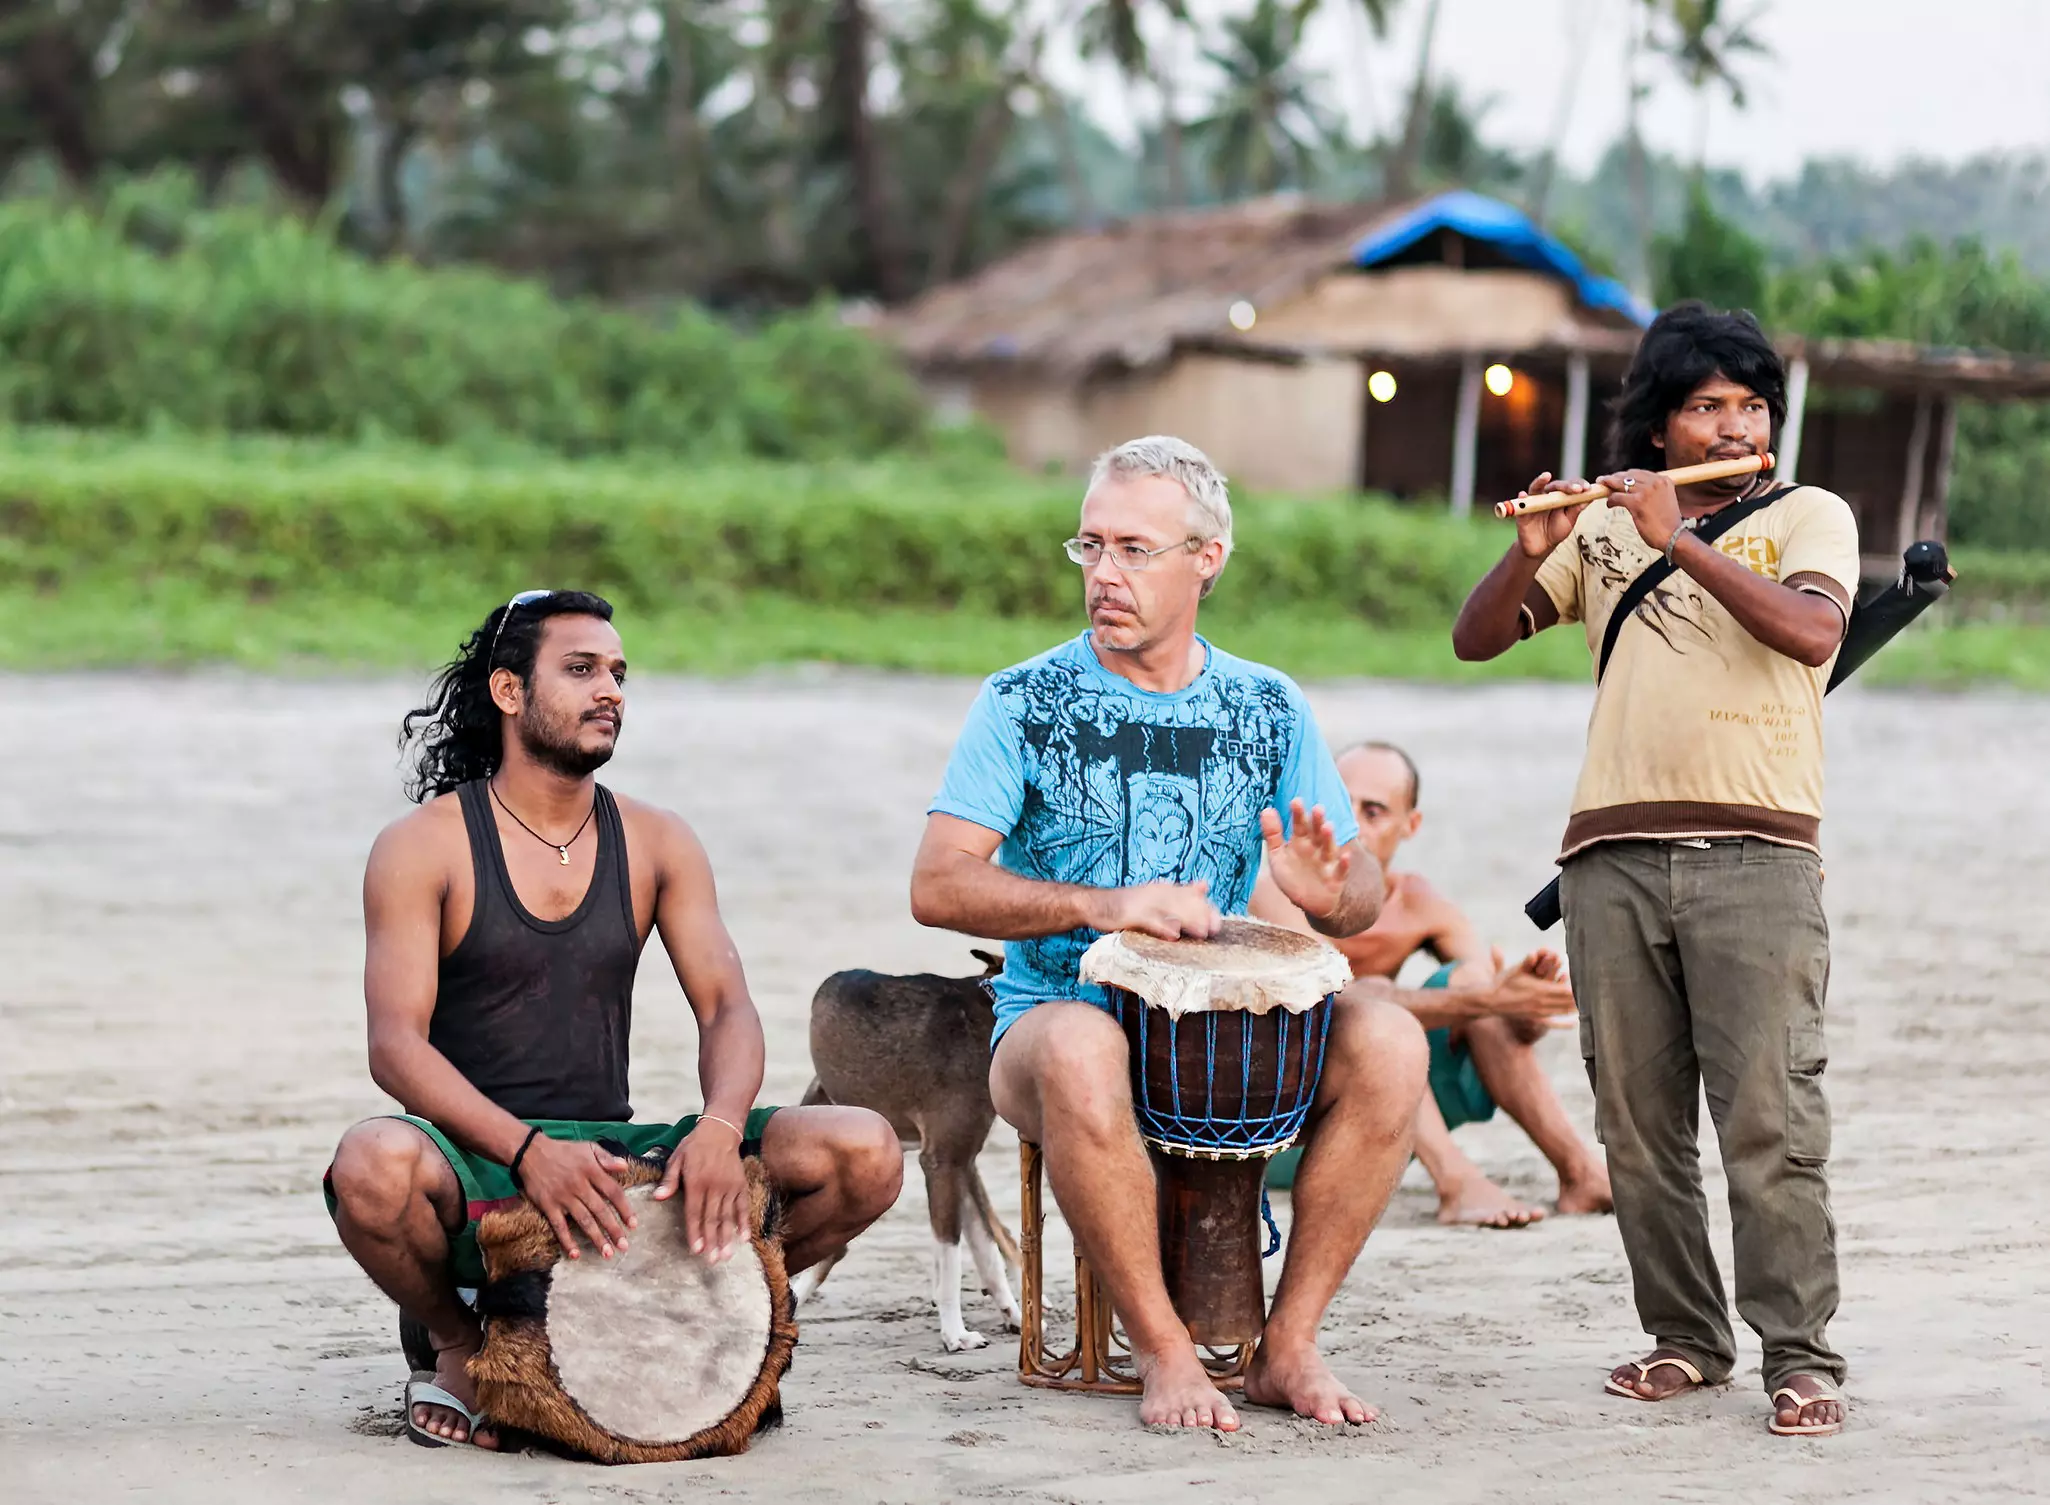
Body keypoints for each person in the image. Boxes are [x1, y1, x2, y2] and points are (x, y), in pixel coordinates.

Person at [909, 436, 1429, 1434]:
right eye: (1089, 545)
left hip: (1227, 1036)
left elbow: (1358, 901)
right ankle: (1163, 1350)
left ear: (1206, 559)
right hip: (1049, 1027)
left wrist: (1332, 885)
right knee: (1079, 1041)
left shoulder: (1267, 705)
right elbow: (936, 885)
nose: (1103, 573)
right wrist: (1101, 903)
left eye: (1133, 549)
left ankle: (1289, 1345)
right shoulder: (1022, 700)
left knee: (1390, 1035)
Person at [323, 589, 902, 1451]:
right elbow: (394, 1046)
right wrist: (526, 1151)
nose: (612, 691)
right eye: (583, 669)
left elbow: (727, 1007)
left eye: (620, 674)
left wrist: (717, 1127)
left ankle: (714, 1319)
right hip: (482, 1159)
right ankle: (460, 1340)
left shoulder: (659, 839)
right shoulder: (424, 845)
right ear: (510, 691)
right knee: (371, 1165)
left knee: (864, 1149)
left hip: (617, 1160)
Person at [1450, 303, 1857, 1438]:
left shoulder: (1809, 514)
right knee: (1637, 1124)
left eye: (1749, 403)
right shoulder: (1597, 530)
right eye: (1705, 405)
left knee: (1769, 1116)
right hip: (1610, 854)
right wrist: (1529, 549)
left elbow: (1815, 634)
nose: (1734, 420)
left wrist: (1676, 536)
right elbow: (1475, 639)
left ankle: (1802, 1351)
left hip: (1758, 850)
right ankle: (1685, 1335)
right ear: (1662, 423)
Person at [1251, 741, 1613, 1228]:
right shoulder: (1276, 889)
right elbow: (1331, 1004)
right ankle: (1457, 1183)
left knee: (1468, 981)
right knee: (1379, 1012)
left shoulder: (1418, 903)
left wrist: (1524, 1006)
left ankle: (1580, 1173)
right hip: (1283, 1132)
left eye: (1374, 811)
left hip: (1383, 1122)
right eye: (1342, 802)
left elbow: (1498, 1013)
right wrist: (1487, 997)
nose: (1351, 825)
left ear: (1410, 826)